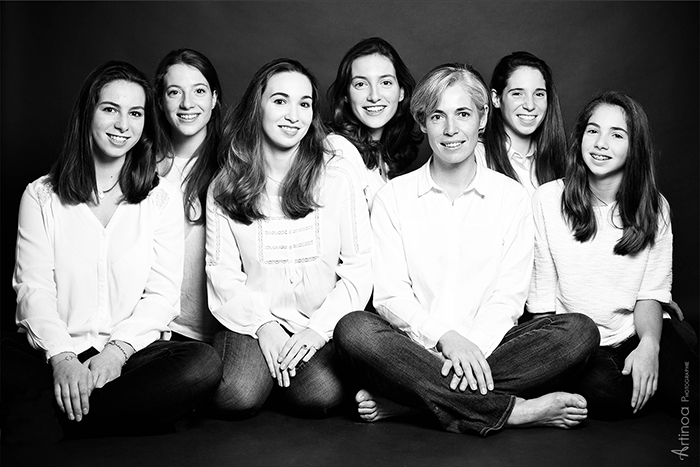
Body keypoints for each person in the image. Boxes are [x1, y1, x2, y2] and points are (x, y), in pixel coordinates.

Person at [333, 63, 600, 436]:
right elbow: (391, 295)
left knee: (579, 331)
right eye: (437, 116)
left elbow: (509, 298)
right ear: (423, 123)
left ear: (482, 118)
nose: (451, 129)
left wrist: (470, 347)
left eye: (462, 114)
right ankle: (510, 411)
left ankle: (414, 403)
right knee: (354, 329)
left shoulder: (512, 199)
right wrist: (445, 339)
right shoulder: (393, 196)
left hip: (489, 348)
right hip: (412, 348)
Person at [1, 61, 223, 444]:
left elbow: (161, 294)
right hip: (54, 350)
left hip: (130, 353)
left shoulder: (160, 199)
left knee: (201, 365)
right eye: (110, 109)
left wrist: (115, 354)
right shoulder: (40, 196)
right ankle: (112, 413)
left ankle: (59, 419)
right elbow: (33, 289)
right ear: (88, 113)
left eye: (135, 113)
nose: (123, 125)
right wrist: (63, 359)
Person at [206, 58, 372, 419]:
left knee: (321, 395)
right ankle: (266, 372)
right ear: (258, 106)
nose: (293, 115)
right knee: (237, 395)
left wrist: (317, 331)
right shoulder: (225, 185)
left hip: (315, 324)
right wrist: (263, 327)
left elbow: (359, 268)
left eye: (304, 104)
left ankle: (280, 376)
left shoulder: (337, 176)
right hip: (254, 322)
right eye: (280, 101)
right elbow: (221, 273)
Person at [527, 91, 698, 419]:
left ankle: (670, 346)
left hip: (635, 329)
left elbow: (651, 293)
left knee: (690, 389)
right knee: (615, 396)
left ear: (635, 147)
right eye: (593, 131)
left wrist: (649, 344)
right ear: (580, 138)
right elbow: (543, 304)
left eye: (616, 134)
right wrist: (555, 363)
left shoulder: (655, 208)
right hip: (582, 343)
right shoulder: (547, 200)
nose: (600, 143)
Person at [154, 48, 224, 343]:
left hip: (221, 328)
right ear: (160, 100)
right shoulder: (141, 166)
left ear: (214, 98)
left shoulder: (234, 164)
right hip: (157, 327)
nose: (187, 104)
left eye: (199, 91)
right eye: (174, 92)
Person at [327, 37, 423, 207]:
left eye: (385, 82)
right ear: (345, 95)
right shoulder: (339, 151)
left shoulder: (385, 156)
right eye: (361, 84)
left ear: (401, 92)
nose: (374, 96)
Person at [478, 51, 566, 196]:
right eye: (517, 93)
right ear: (496, 98)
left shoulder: (559, 159)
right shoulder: (477, 159)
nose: (530, 105)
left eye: (539, 94)